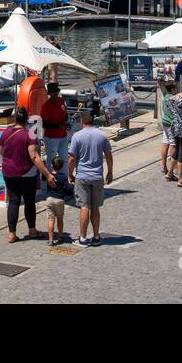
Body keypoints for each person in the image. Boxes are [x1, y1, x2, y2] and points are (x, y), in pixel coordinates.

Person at [1, 106, 57, 243]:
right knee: (29, 202)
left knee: (13, 202)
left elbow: (1, 152)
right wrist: (48, 174)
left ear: (15, 119)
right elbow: (34, 157)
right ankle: (32, 230)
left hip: (9, 173)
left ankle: (12, 234)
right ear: (27, 120)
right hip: (27, 174)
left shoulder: (6, 132)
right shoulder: (29, 135)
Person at [67, 110, 114, 245]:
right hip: (97, 175)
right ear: (93, 122)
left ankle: (82, 237)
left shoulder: (77, 136)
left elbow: (71, 158)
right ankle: (96, 236)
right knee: (95, 207)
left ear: (82, 122)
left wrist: (70, 174)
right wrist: (110, 172)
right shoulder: (102, 135)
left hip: (82, 176)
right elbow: (109, 155)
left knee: (84, 206)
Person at [40, 80, 70, 176]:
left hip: (63, 135)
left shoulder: (61, 101)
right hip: (51, 137)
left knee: (64, 157)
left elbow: (65, 115)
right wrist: (58, 126)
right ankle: (50, 176)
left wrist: (66, 122)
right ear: (50, 94)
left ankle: (64, 177)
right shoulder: (46, 106)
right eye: (53, 95)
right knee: (52, 158)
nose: (55, 96)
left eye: (56, 94)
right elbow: (44, 124)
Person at [44, 156, 72, 244]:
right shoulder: (63, 177)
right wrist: (72, 184)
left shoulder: (48, 175)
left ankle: (51, 240)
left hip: (49, 199)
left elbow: (42, 177)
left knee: (51, 219)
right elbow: (67, 188)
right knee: (60, 219)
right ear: (62, 166)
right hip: (59, 200)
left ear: (52, 165)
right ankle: (60, 237)